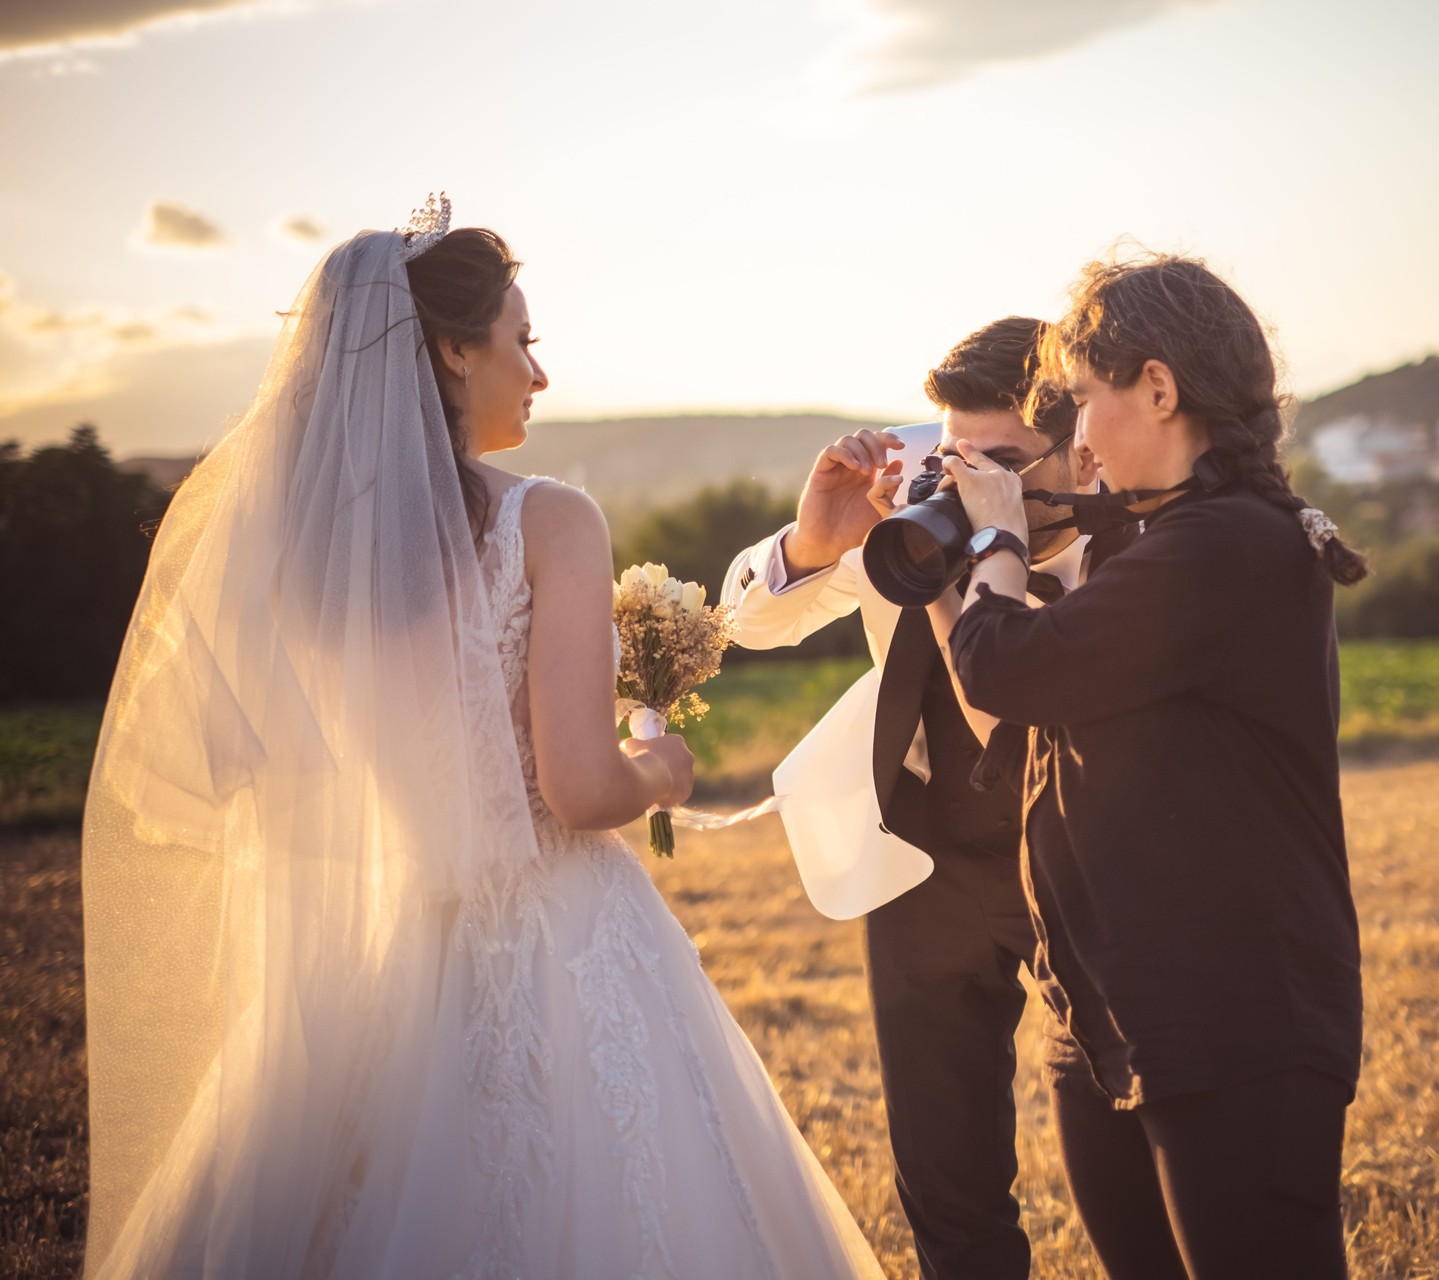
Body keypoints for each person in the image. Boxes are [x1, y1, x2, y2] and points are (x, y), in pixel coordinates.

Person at [80, 204, 882, 1279]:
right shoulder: (548, 520)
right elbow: (581, 789)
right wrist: (663, 766)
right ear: (453, 352)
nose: (539, 374)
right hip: (555, 933)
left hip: (384, 940)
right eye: (523, 342)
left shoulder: (296, 554)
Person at [941, 253, 1370, 1280]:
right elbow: (1024, 735)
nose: (1077, 438)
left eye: (1086, 399)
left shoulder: (1225, 546)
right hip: (1104, 1015)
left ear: (1160, 388)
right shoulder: (1161, 542)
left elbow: (1006, 666)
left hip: (1231, 1022)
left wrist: (995, 534)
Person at [723, 317, 1115, 1279]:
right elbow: (751, 622)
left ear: (1085, 454)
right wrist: (815, 543)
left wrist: (1007, 547)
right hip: (922, 860)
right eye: (955, 457)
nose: (971, 487)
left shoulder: (1130, 553)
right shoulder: (912, 518)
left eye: (1007, 466)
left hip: (1080, 856)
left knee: (1127, 1127)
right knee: (943, 1172)